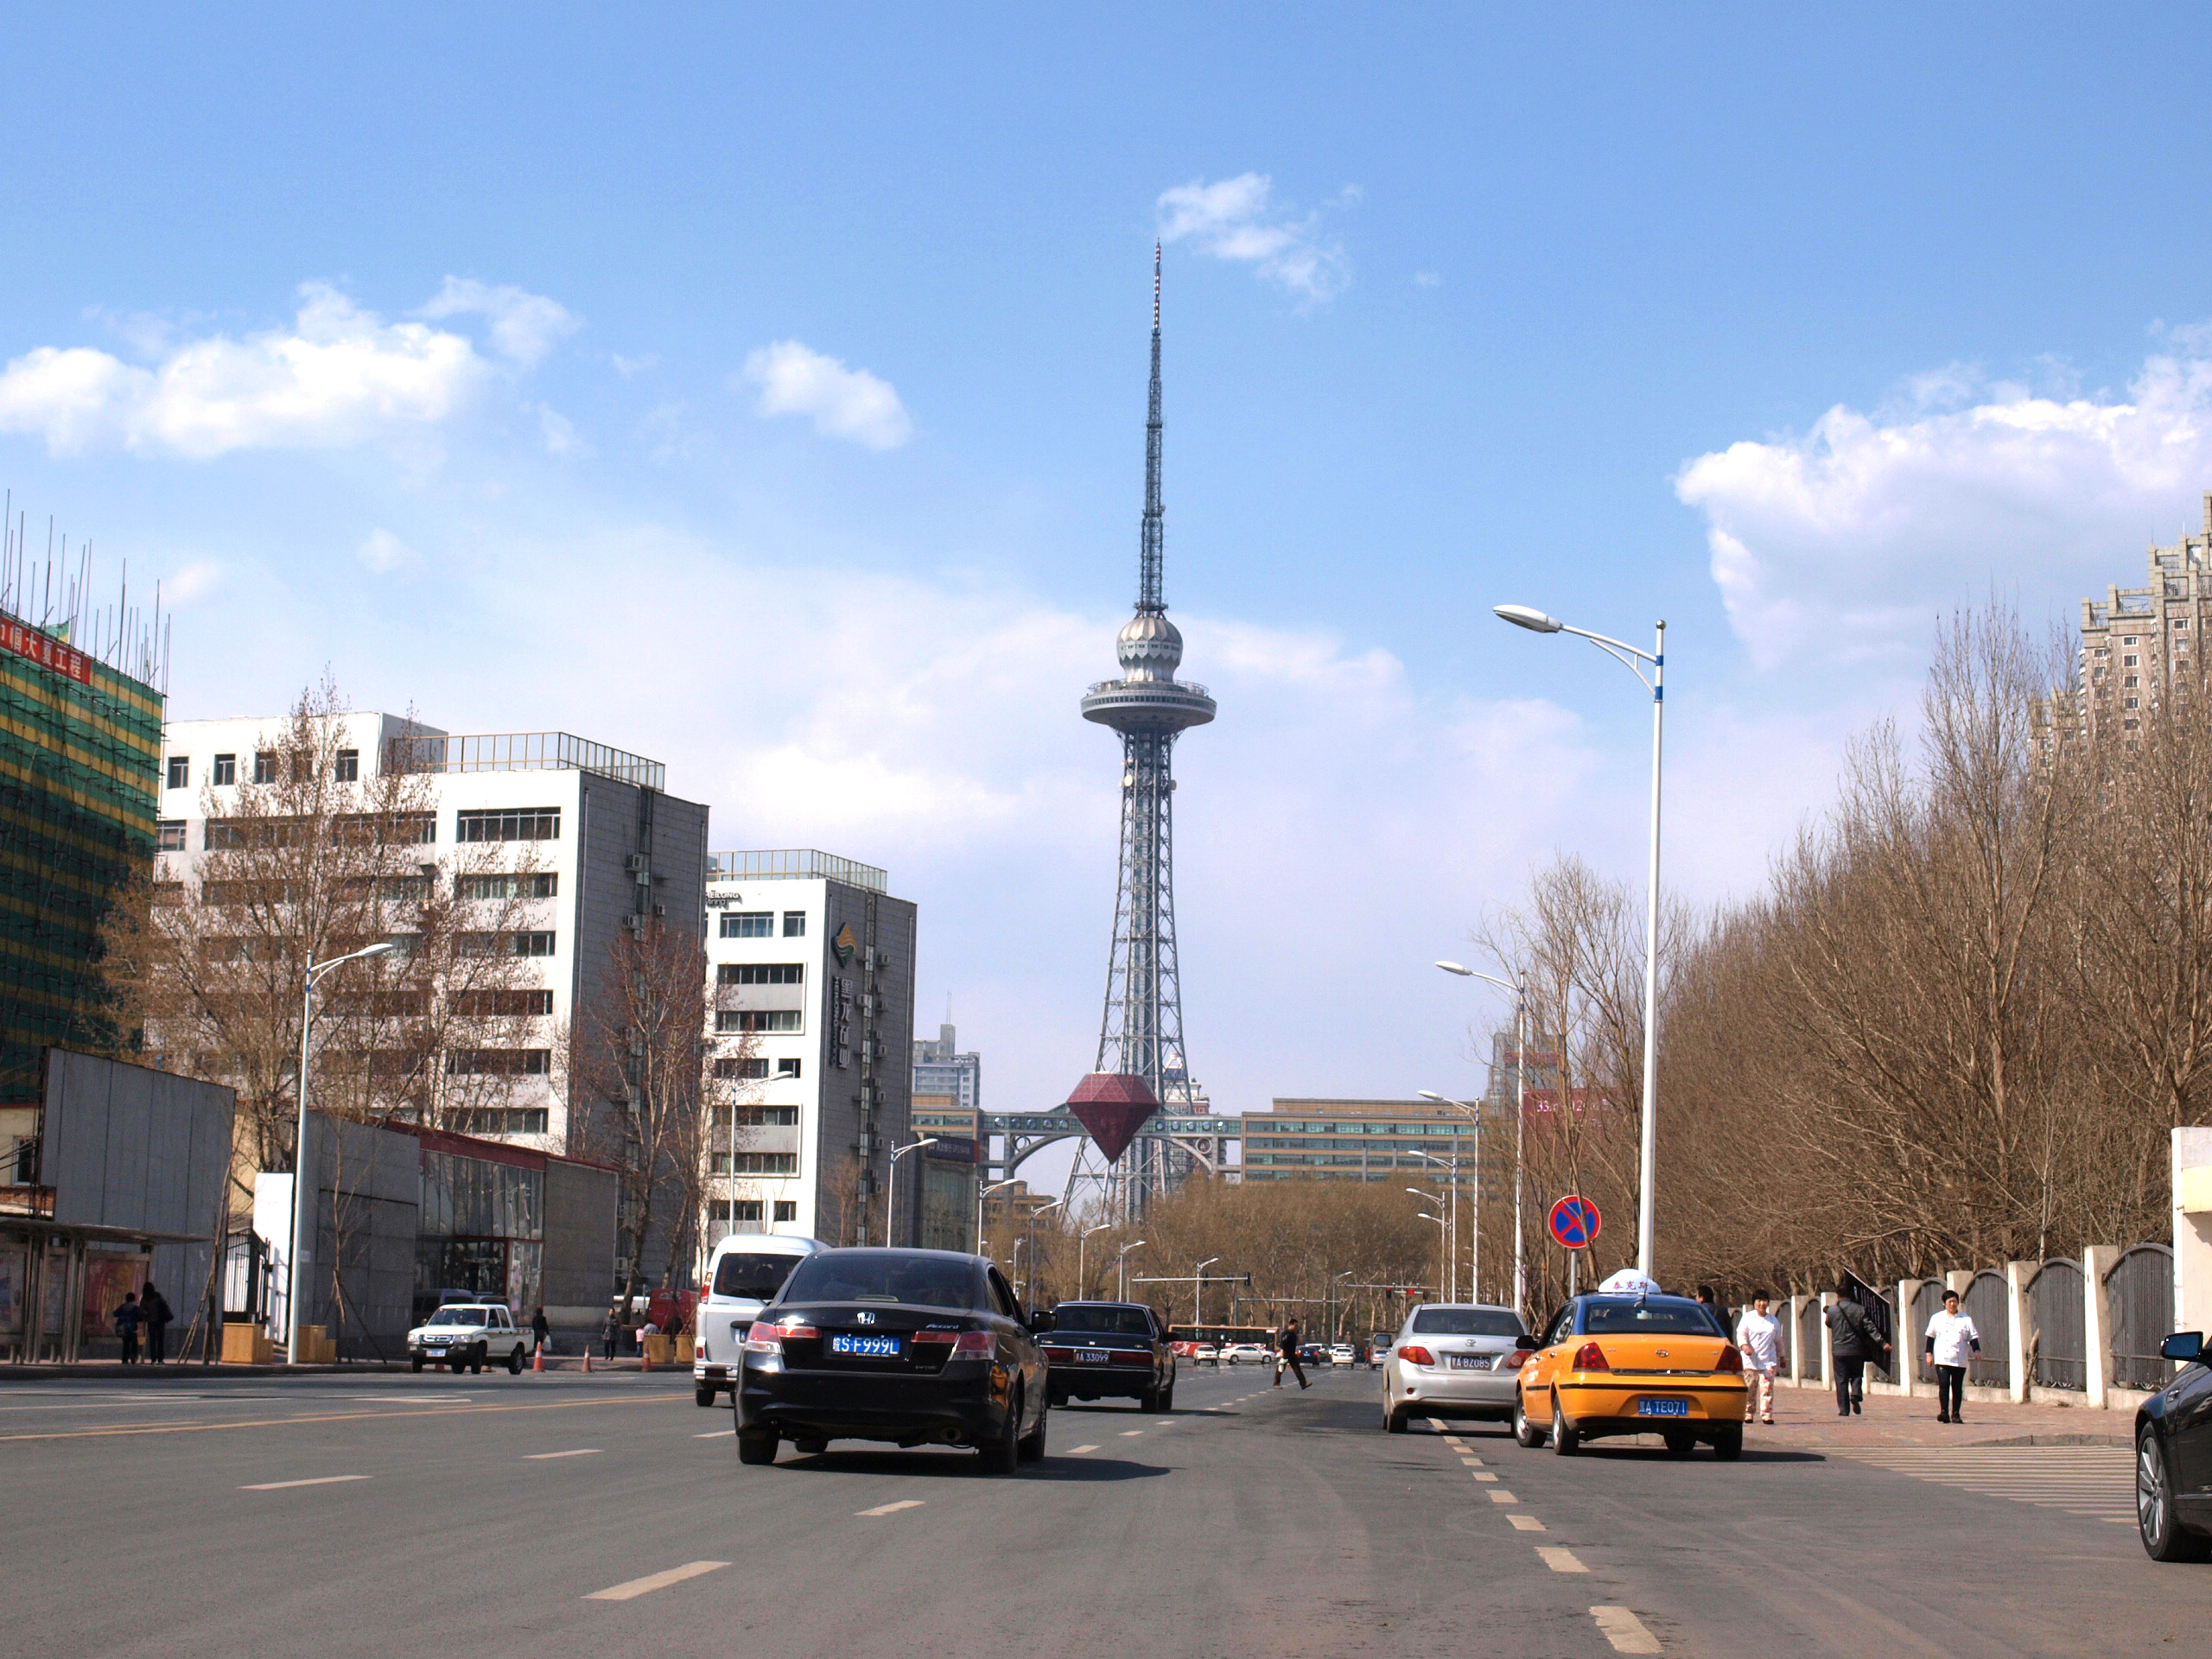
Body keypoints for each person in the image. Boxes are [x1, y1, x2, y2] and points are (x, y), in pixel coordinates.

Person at [1823, 1275, 1888, 1415]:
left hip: (1839, 1350)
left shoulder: (1832, 1310)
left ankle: (1843, 1410)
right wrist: (1883, 1343)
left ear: (1838, 1295)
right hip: (1856, 1349)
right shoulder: (1860, 1309)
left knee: (1841, 1380)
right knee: (1857, 1374)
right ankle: (1856, 1393)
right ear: (1851, 1294)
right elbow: (1870, 1328)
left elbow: (1828, 1324)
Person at [1924, 1288, 1980, 1424]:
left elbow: (1973, 1337)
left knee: (1957, 1386)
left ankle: (1956, 1413)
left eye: (1955, 1301)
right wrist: (1929, 1354)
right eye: (1950, 1302)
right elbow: (1930, 1337)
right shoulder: (1936, 1318)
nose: (1953, 1304)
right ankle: (1944, 1412)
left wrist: (1977, 1350)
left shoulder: (1966, 1319)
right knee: (1944, 1385)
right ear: (1944, 1303)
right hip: (1942, 1358)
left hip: (1959, 1358)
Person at [1734, 1293, 1783, 1426]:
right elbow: (1741, 1335)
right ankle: (1748, 1413)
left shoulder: (1773, 1321)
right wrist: (1745, 1347)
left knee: (1767, 1389)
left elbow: (1778, 1341)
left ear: (1768, 1302)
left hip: (1768, 1361)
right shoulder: (1747, 1318)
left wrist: (1782, 1357)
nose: (1762, 1304)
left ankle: (1767, 1415)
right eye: (1759, 1301)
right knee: (1750, 1389)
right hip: (1750, 1362)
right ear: (1754, 1303)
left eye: (1765, 1301)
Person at [141, 1282, 175, 1365]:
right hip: (160, 1321)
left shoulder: (145, 1298)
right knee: (160, 1341)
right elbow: (165, 1305)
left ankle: (153, 1359)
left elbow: (141, 1310)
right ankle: (160, 1359)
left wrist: (146, 1315)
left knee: (152, 1341)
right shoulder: (157, 1296)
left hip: (151, 1321)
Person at [1274, 1318, 1309, 1389]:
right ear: (1292, 1325)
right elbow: (1283, 1344)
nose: (1297, 1328)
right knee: (1280, 1368)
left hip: (1292, 1354)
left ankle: (1303, 1383)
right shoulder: (1286, 1333)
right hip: (1286, 1353)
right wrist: (1282, 1352)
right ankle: (1276, 1383)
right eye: (1296, 1326)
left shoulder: (1293, 1334)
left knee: (1297, 1369)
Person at [112, 1290, 143, 1365]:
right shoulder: (135, 1308)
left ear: (126, 1299)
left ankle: (125, 1359)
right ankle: (133, 1357)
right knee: (134, 1343)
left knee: (126, 1344)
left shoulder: (123, 1307)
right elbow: (140, 1317)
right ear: (134, 1299)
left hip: (124, 1329)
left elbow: (115, 1314)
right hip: (132, 1329)